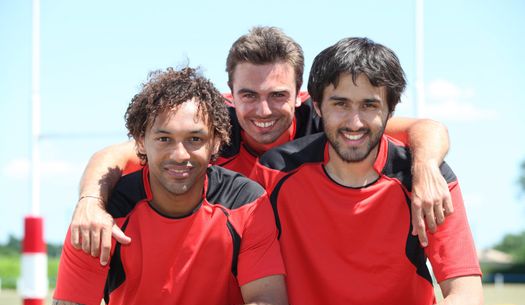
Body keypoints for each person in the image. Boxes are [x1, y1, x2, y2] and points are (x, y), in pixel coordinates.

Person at [71, 27, 453, 266]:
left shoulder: (333, 125)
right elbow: (115, 155)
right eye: (249, 95)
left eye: (278, 95)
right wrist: (89, 202)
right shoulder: (207, 133)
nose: (263, 110)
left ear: (303, 96)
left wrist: (425, 171)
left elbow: (424, 128)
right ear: (230, 95)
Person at [255, 37, 499, 305]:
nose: (354, 122)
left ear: (390, 110)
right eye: (340, 104)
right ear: (317, 106)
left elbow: (468, 303)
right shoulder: (275, 173)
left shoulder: (425, 180)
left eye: (369, 105)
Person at [45, 67, 289, 305]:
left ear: (216, 143)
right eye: (164, 139)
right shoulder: (103, 216)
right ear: (140, 142)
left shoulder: (245, 201)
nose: (180, 154)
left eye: (195, 139)